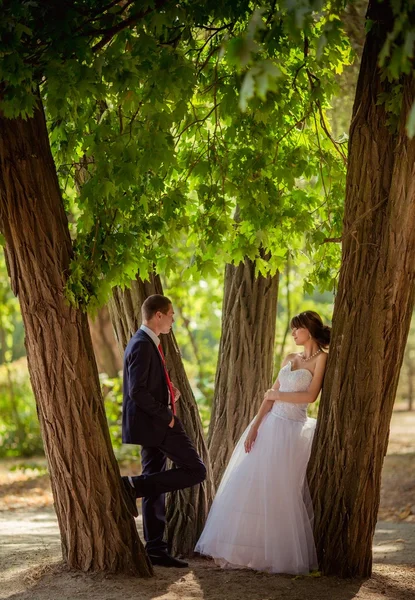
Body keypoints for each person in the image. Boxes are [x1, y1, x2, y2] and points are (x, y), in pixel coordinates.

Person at [195, 310, 330, 575]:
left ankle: (277, 553)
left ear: (309, 329)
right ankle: (247, 551)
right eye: (292, 329)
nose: (293, 334)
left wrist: (277, 393)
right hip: (270, 425)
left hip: (292, 430)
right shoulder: (291, 358)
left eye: (296, 329)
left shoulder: (321, 359)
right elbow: (268, 397)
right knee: (250, 484)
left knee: (281, 489)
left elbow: (311, 396)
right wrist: (255, 427)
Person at [121, 294, 206, 568]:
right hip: (157, 424)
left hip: (154, 423)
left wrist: (170, 393)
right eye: (171, 315)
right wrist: (167, 415)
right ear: (158, 315)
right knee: (197, 470)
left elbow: (147, 385)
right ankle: (133, 486)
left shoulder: (148, 343)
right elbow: (136, 391)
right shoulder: (143, 344)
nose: (173, 321)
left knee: (156, 481)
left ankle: (156, 549)